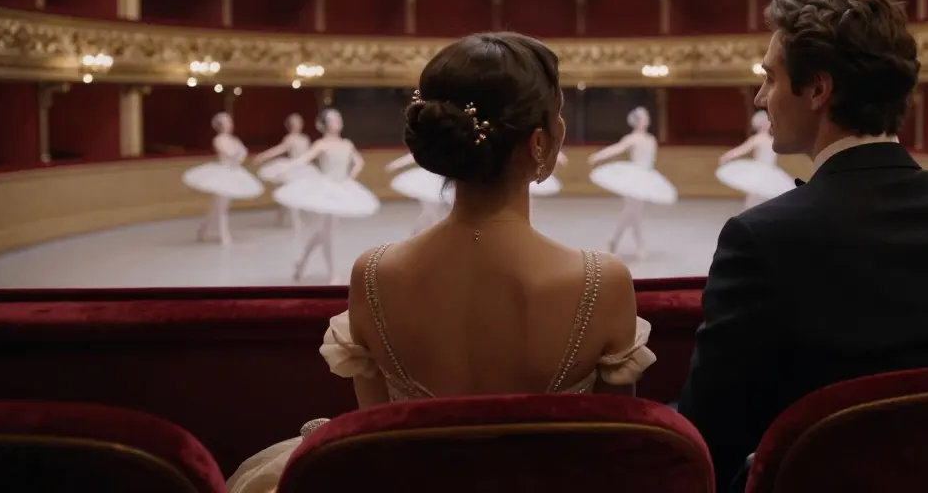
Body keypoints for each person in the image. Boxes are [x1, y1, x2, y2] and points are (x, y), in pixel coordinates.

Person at [228, 33, 655, 493]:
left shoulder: (373, 273)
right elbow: (613, 452)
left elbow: (375, 440)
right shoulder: (602, 281)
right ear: (540, 142)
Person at [677, 0, 928, 493]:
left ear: (818, 90)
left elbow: (709, 435)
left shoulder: (761, 239)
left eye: (770, 78)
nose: (759, 97)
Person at [272, 108, 380, 284]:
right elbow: (303, 159)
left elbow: (359, 161)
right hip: (326, 188)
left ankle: (301, 263)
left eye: (338, 118)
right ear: (325, 124)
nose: (337, 120)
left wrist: (350, 177)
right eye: (332, 119)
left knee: (323, 232)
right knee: (327, 233)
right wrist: (284, 169)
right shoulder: (321, 144)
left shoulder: (346, 143)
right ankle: (332, 273)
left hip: (341, 187)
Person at [587, 107, 678, 259]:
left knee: (634, 213)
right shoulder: (632, 138)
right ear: (635, 122)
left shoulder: (651, 139)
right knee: (632, 211)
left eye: (645, 117)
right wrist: (598, 156)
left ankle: (617, 242)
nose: (644, 120)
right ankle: (630, 244)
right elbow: (616, 149)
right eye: (641, 118)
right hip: (633, 176)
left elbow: (651, 159)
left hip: (645, 175)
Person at [181, 112, 263, 246]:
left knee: (219, 207)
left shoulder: (234, 139)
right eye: (227, 122)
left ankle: (203, 229)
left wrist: (239, 155)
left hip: (233, 172)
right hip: (222, 172)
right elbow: (231, 153)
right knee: (222, 206)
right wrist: (238, 153)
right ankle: (224, 235)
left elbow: (242, 155)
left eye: (230, 122)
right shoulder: (218, 139)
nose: (230, 124)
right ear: (220, 125)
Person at [252, 113, 320, 231]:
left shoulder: (305, 138)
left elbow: (309, 153)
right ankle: (295, 222)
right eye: (294, 122)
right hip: (293, 169)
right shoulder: (289, 138)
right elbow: (278, 150)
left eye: (298, 121)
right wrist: (263, 156)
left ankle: (280, 218)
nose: (297, 124)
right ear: (290, 125)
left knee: (291, 195)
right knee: (293, 195)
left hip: (304, 168)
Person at [715, 110, 794, 210]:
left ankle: (753, 216)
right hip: (761, 170)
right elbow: (741, 150)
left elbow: (741, 150)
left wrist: (726, 156)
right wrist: (726, 156)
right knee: (757, 196)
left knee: (760, 196)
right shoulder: (762, 139)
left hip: (768, 170)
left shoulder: (769, 139)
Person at [385, 151, 453, 234]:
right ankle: (421, 235)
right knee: (430, 212)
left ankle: (425, 235)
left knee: (436, 212)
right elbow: (416, 154)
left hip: (445, 179)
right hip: (431, 180)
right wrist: (397, 163)